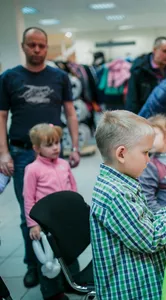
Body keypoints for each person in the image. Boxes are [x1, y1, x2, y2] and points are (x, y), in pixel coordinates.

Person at [90, 110, 166, 299]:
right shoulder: (116, 194)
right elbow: (150, 239)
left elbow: (146, 221)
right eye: (145, 152)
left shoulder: (123, 182)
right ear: (122, 154)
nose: (149, 159)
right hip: (133, 291)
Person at [0, 27, 80, 288]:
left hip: (55, 153)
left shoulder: (59, 76)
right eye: (31, 45)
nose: (37, 49)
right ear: (23, 46)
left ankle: (65, 263)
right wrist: (3, 152)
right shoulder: (9, 78)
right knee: (30, 214)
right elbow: (1, 116)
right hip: (22, 152)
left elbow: (70, 113)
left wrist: (75, 146)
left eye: (41, 45)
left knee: (60, 209)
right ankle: (35, 265)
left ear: (47, 48)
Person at [23, 123, 77, 300]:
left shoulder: (63, 164)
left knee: (68, 252)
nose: (56, 148)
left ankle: (72, 282)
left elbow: (72, 187)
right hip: (46, 223)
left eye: (57, 142)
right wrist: (33, 224)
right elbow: (28, 198)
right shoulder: (33, 169)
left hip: (65, 220)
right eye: (49, 145)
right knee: (49, 259)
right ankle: (53, 293)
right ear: (37, 148)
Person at [125, 36, 166, 113]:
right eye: (165, 51)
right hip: (144, 115)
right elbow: (132, 98)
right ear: (154, 50)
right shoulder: (139, 69)